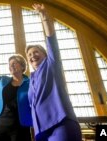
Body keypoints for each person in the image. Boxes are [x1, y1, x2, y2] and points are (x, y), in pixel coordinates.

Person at [25, 3, 82, 141]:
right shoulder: (31, 78)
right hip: (41, 131)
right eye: (30, 55)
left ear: (45, 54)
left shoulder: (51, 64)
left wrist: (44, 17)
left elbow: (52, 41)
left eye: (36, 52)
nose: (33, 56)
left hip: (61, 123)